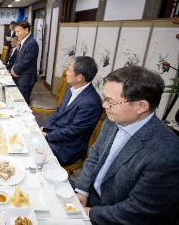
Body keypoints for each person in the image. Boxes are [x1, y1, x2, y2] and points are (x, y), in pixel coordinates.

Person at [73, 66, 179, 224]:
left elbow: (137, 211)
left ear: (141, 106)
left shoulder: (166, 154)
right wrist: (81, 191)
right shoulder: (114, 120)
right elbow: (95, 156)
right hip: (91, 195)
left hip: (117, 214)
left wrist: (89, 212)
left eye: (111, 101)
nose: (104, 105)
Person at [41, 56, 102, 166]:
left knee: (33, 150)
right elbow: (58, 112)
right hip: (57, 134)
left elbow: (73, 131)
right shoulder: (72, 90)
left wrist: (47, 136)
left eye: (69, 70)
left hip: (68, 147)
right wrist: (44, 127)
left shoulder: (91, 102)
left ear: (79, 77)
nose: (66, 73)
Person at [10, 21, 39, 103]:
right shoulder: (24, 41)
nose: (16, 34)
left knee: (21, 102)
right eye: (15, 31)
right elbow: (18, 58)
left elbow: (26, 62)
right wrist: (13, 69)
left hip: (25, 78)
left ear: (26, 30)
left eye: (18, 31)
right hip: (20, 75)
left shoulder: (32, 43)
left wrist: (14, 70)